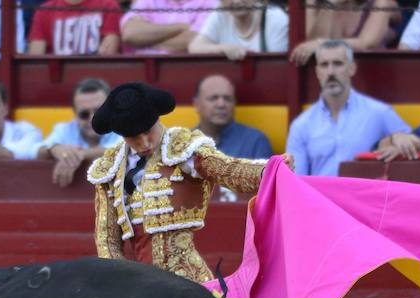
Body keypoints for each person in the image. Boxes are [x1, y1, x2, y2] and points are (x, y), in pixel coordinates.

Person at [88, 82, 291, 283]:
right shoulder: (111, 168)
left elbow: (225, 169)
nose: (145, 143)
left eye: (149, 131)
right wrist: (118, 284)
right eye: (133, 137)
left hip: (187, 282)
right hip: (140, 285)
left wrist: (268, 171)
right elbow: (107, 240)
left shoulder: (182, 147)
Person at [286, 40, 408, 176]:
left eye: (337, 64)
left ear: (352, 68)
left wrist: (398, 143)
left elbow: (412, 145)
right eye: (324, 65)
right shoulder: (301, 125)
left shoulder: (379, 113)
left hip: (363, 196)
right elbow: (295, 182)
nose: (330, 72)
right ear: (317, 72)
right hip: (318, 197)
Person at [36, 78, 121, 187]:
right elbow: (38, 151)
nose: (92, 119)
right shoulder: (64, 129)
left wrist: (77, 155)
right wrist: (54, 149)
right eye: (84, 114)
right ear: (75, 114)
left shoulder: (123, 127)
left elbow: (123, 150)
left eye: (98, 111)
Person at [289, 0, 400, 66]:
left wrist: (322, 44)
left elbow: (366, 43)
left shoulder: (383, 3)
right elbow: (309, 47)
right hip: (336, 82)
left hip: (373, 79)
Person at [193, 74, 272, 160]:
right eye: (213, 98)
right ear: (197, 104)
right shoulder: (185, 143)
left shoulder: (256, 141)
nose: (221, 104)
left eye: (228, 98)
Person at [188, 0, 289, 60]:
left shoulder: (275, 17)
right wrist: (223, 48)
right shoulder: (220, 14)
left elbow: (274, 65)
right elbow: (195, 47)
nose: (236, 1)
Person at [119, 0, 216, 54]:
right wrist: (181, 27)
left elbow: (196, 40)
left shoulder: (210, 2)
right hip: (140, 73)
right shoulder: (147, 1)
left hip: (185, 70)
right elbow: (130, 34)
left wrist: (143, 41)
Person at [26, 0, 121, 55]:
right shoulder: (43, 11)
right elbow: (36, 60)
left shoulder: (109, 5)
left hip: (96, 82)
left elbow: (108, 54)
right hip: (56, 81)